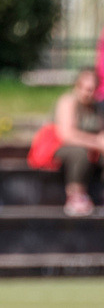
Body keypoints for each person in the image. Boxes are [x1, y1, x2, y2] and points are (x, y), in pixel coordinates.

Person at [53, 67, 104, 217]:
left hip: (93, 148)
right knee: (80, 153)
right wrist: (96, 141)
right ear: (78, 86)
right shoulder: (68, 102)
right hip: (65, 148)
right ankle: (76, 196)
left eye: (93, 89)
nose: (90, 93)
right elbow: (67, 135)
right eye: (87, 89)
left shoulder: (99, 107)